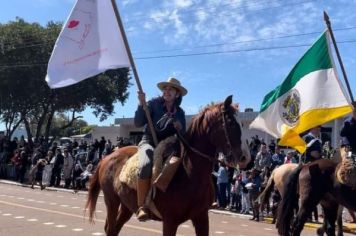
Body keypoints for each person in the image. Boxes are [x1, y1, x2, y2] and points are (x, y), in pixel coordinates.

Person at [134, 77, 187, 221]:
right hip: (149, 141)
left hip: (169, 145)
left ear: (177, 94)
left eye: (171, 89)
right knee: (145, 165)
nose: (167, 91)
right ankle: (142, 207)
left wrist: (180, 129)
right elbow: (138, 123)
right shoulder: (152, 104)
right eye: (165, 88)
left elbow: (183, 135)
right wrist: (141, 104)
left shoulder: (180, 113)